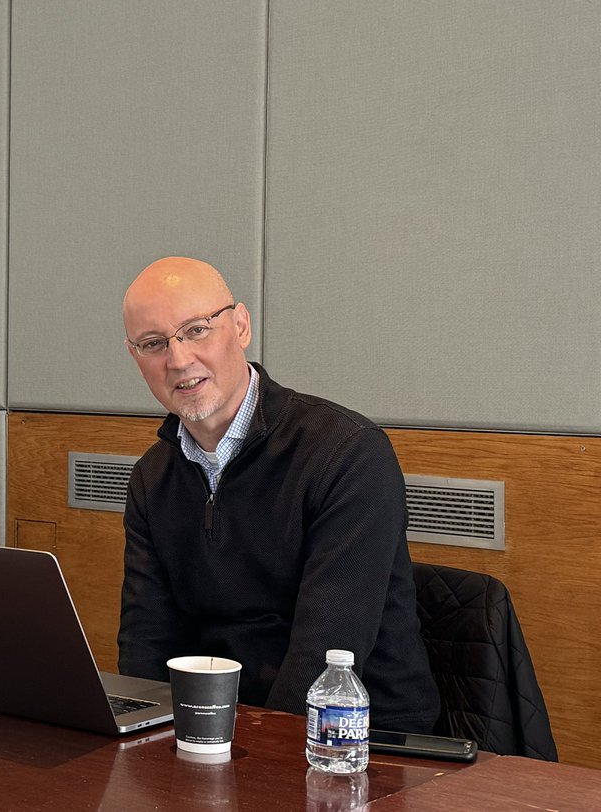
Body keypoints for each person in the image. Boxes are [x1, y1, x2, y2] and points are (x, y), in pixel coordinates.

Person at [117, 256, 438, 733]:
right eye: (154, 343)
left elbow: (327, 653)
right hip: (216, 735)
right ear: (135, 357)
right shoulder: (152, 478)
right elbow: (146, 645)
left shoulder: (347, 453)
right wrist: (139, 740)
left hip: (361, 740)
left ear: (241, 325)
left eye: (197, 330)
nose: (179, 359)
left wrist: (249, 761)